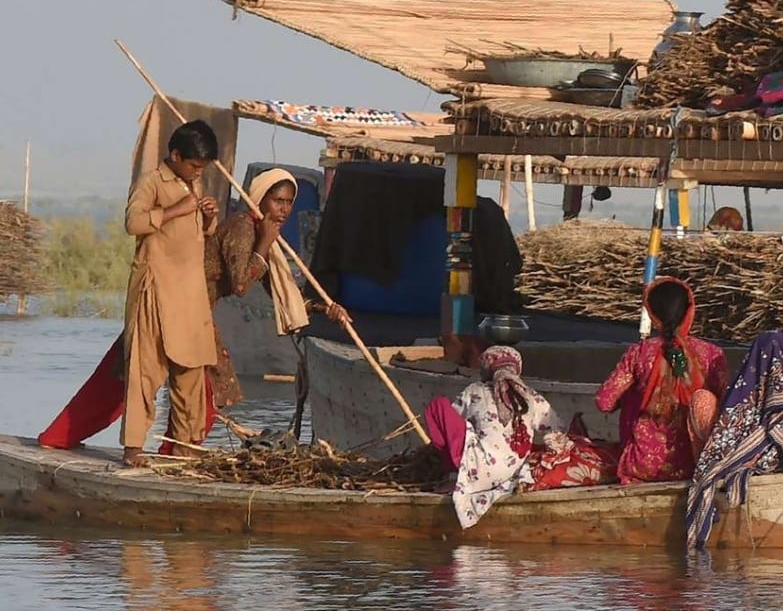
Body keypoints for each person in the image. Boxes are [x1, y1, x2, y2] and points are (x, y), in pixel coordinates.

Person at [38, 167, 350, 457]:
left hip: (192, 314)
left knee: (153, 386)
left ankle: (169, 455)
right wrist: (265, 244)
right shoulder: (244, 228)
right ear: (259, 199)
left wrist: (326, 309)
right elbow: (241, 283)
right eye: (276, 201)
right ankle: (71, 440)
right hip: (174, 308)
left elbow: (283, 297)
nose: (282, 210)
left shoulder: (263, 239)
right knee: (135, 384)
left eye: (288, 202)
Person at [119, 120, 221, 466]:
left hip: (189, 294)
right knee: (144, 370)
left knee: (191, 370)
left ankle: (185, 447)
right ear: (175, 155)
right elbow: (133, 223)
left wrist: (208, 216)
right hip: (156, 288)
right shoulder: (151, 183)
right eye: (193, 165)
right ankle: (134, 447)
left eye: (201, 168)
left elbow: (202, 234)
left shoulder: (195, 182)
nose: (197, 173)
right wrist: (179, 208)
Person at [595, 276, 730, 484]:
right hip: (697, 464)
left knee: (633, 393)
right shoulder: (712, 355)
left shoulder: (639, 353)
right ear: (689, 311)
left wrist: (636, 396)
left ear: (652, 313)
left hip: (643, 467)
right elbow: (730, 404)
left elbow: (604, 402)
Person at [685, 331, 783, 549]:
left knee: (702, 398)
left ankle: (709, 464)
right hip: (768, 463)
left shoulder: (737, 392)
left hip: (733, 459)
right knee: (702, 399)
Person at [423, 345, 565, 528]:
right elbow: (558, 429)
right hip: (512, 472)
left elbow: (450, 424)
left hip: (480, 472)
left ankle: (453, 475)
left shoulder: (475, 390)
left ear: (486, 369)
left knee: (438, 406)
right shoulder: (531, 396)